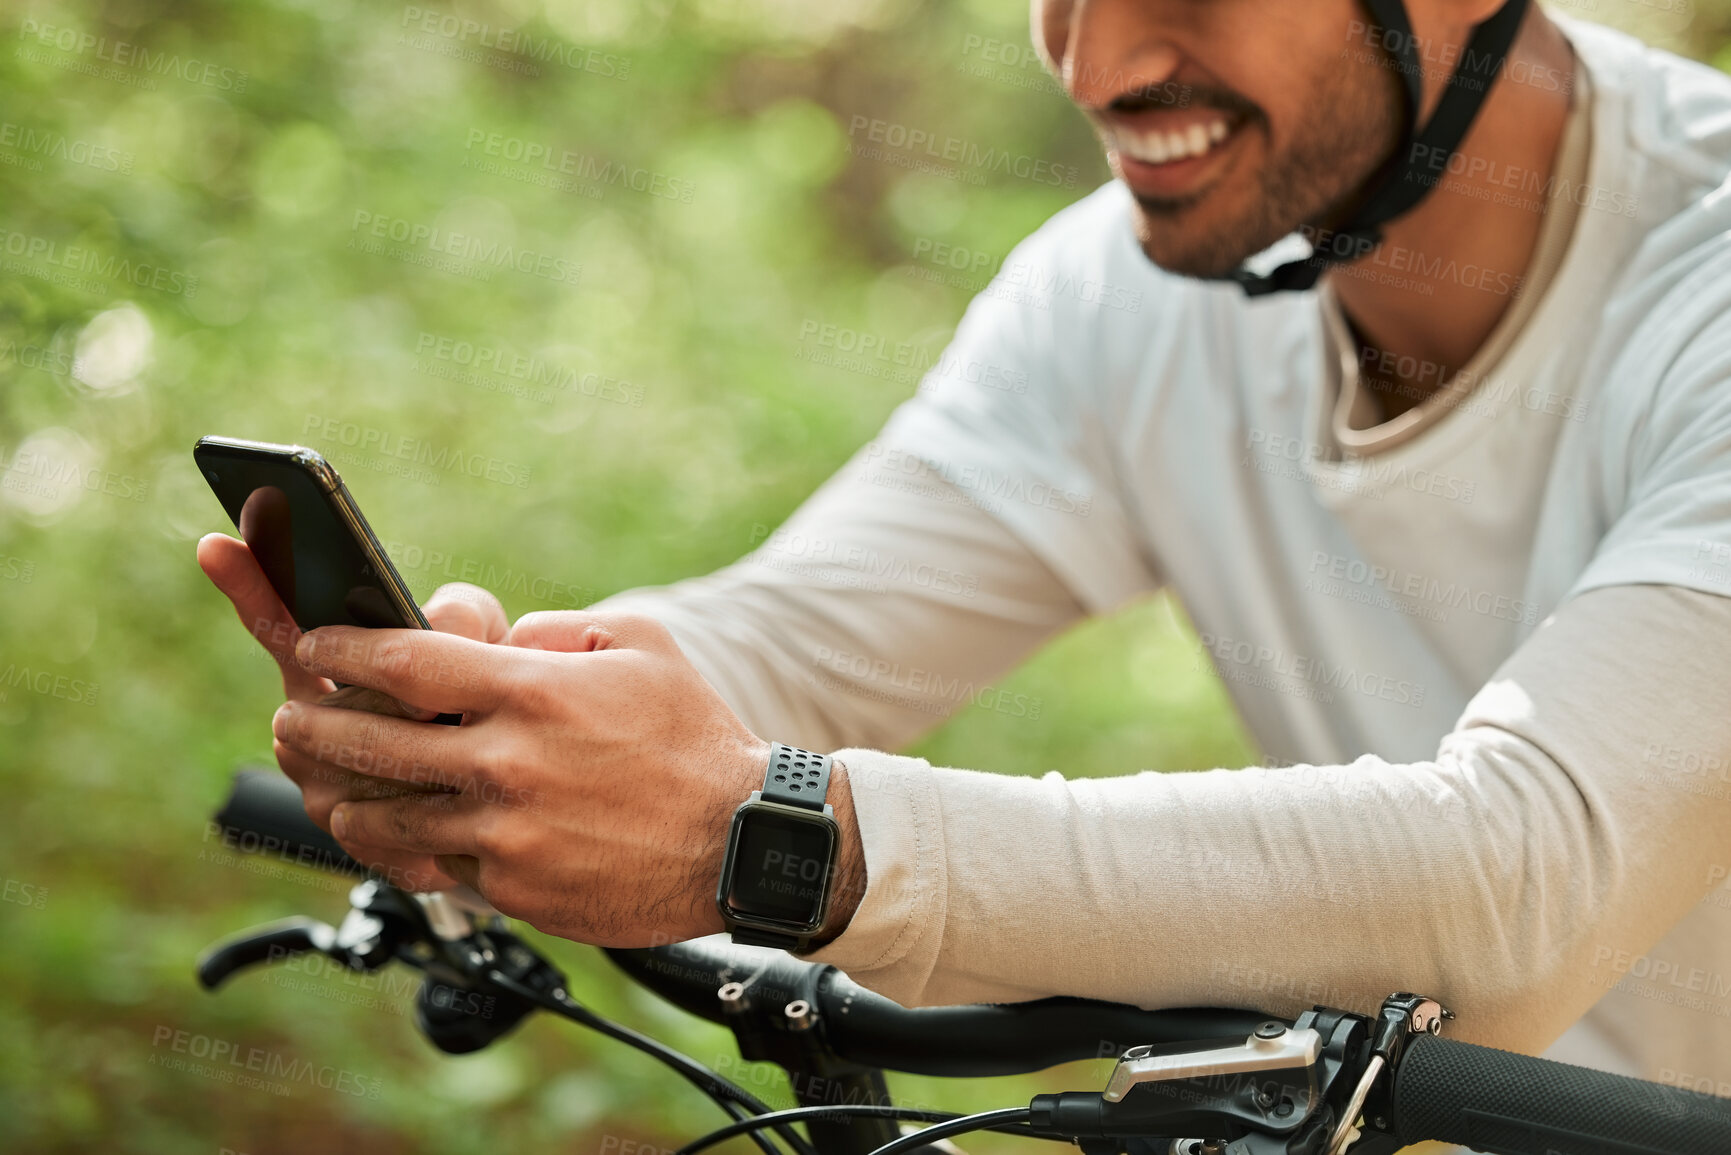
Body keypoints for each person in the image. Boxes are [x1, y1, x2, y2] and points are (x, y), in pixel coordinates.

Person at [200, 0, 1731, 1104]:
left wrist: (784, 836)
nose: (1096, 55)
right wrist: (521, 715)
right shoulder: (1122, 296)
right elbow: (797, 642)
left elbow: (1519, 890)